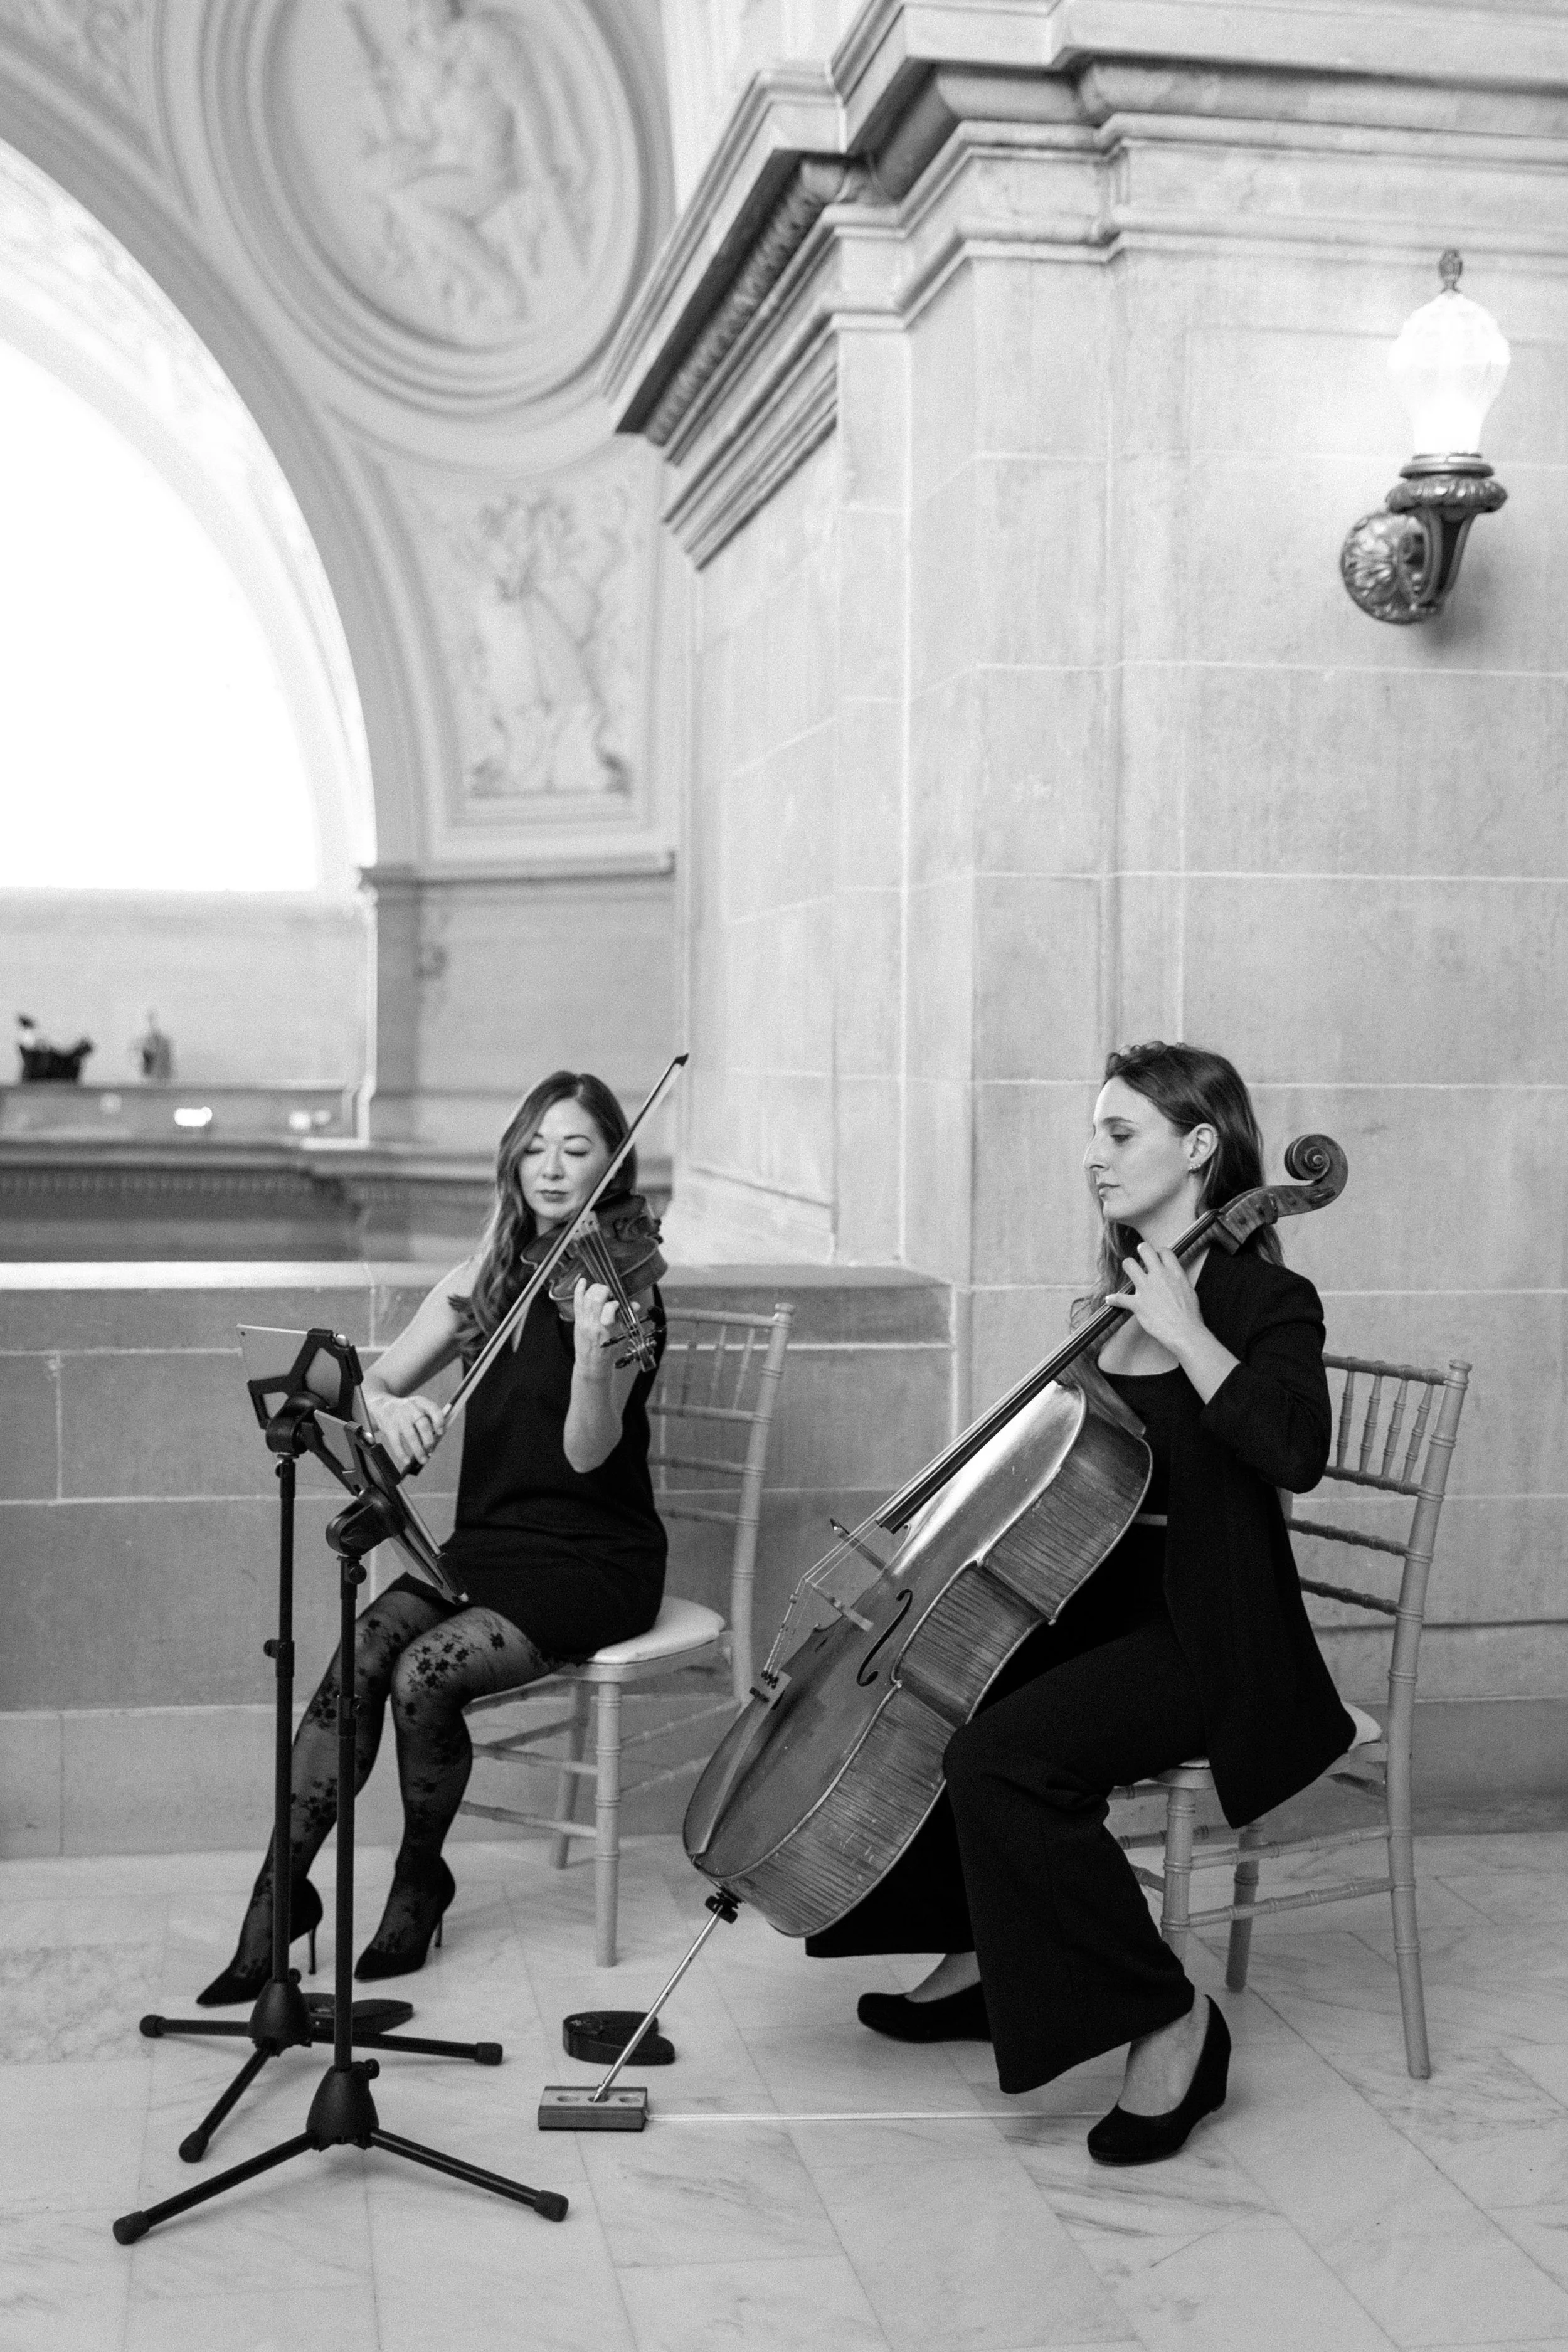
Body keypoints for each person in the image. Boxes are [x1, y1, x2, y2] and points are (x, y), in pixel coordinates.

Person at [810, 1041, 1354, 2164]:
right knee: (935, 1696)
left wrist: (1193, 1333)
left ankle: (1172, 2018)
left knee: (1003, 1761)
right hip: (1099, 1606)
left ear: (1200, 1147)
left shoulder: (1267, 1299)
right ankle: (981, 1956)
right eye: (1094, 1134)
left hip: (1210, 1634)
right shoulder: (1104, 1306)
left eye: (1122, 1134)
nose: (1095, 1157)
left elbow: (1296, 1451)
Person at [198, 1070, 667, 2002]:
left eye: (577, 1149)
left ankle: (420, 1879)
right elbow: (365, 1387)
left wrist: (587, 1364)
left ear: (612, 1163)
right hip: (489, 1543)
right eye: (535, 1145)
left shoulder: (625, 1297)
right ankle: (279, 1894)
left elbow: (587, 1454)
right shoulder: (481, 1283)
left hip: (593, 1558)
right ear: (512, 1158)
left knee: (427, 1673)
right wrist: (392, 1407)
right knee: (365, 1649)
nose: (551, 1167)